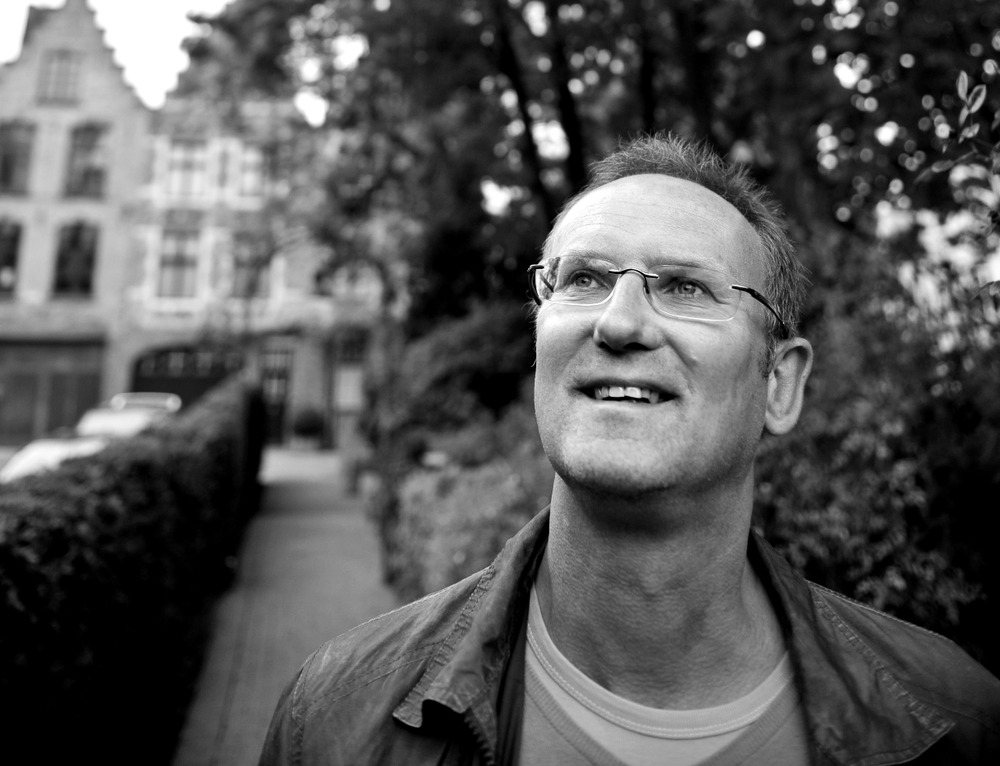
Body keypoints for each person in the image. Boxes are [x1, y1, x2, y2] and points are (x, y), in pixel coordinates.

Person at [258, 133, 1000, 765]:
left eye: (684, 288)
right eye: (583, 278)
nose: (618, 323)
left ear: (778, 383)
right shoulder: (331, 720)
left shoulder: (959, 721)